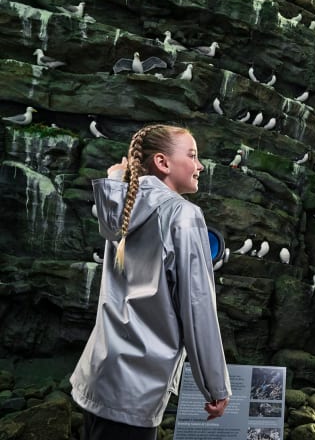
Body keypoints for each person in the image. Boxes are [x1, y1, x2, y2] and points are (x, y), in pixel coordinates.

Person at [70, 124, 231, 439]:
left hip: (99, 375)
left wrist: (117, 178)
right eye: (193, 155)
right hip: (137, 388)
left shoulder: (121, 209)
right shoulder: (184, 216)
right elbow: (198, 308)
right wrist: (215, 385)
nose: (199, 166)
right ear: (163, 163)